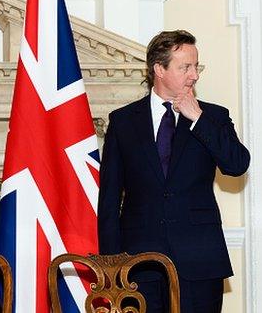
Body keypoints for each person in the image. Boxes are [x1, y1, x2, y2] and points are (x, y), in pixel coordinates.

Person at [98, 30, 250, 313]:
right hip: (138, 264)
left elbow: (237, 164)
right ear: (159, 69)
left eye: (196, 66)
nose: (194, 75)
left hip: (200, 260)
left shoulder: (213, 116)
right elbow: (108, 198)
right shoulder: (122, 122)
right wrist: (112, 265)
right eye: (185, 67)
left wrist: (198, 119)